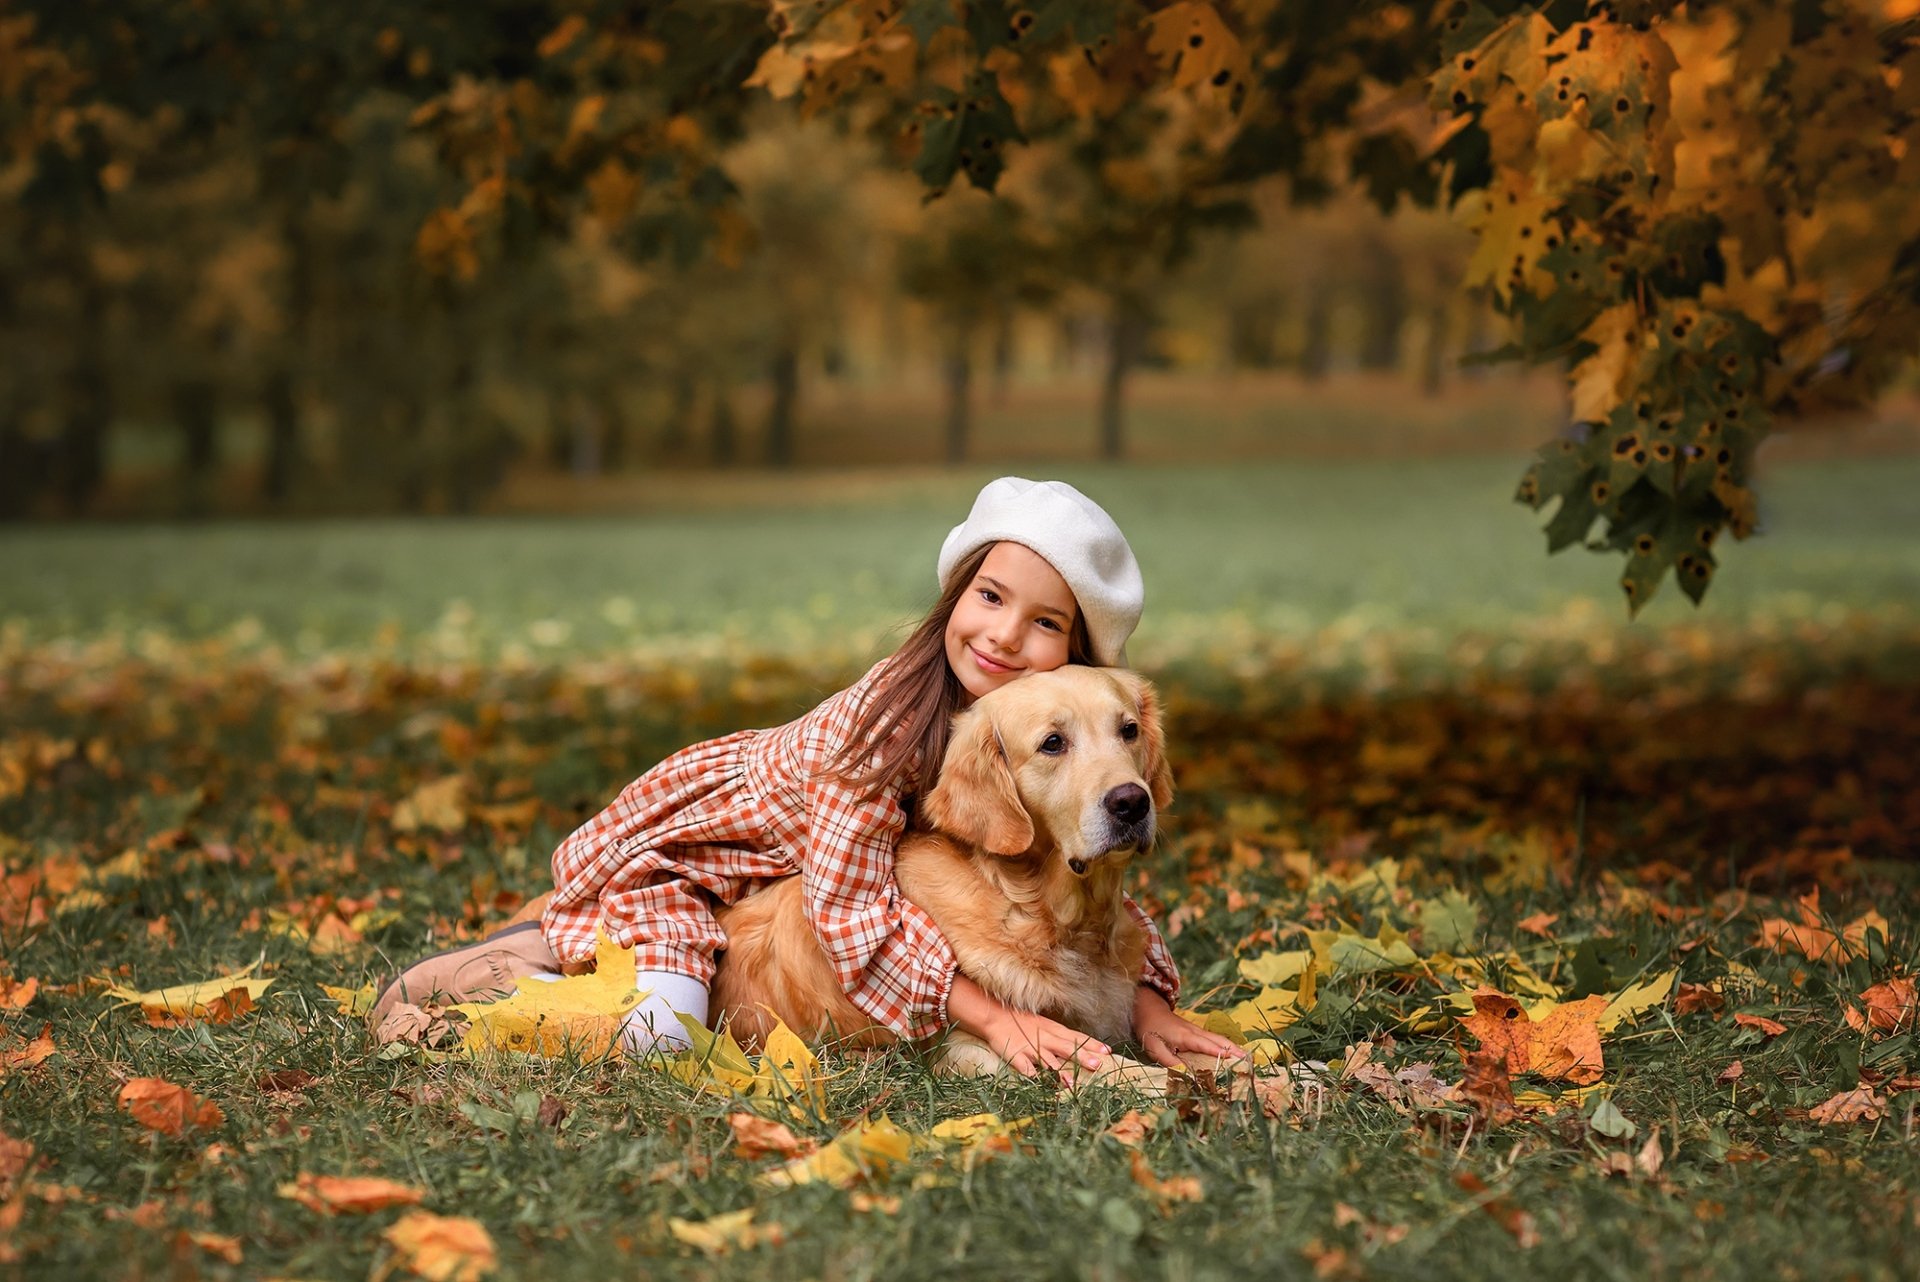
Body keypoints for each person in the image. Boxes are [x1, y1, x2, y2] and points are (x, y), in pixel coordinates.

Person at [374, 477, 1242, 1077]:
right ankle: (509, 975)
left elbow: (1097, 904)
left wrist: (1150, 1000)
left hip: (781, 875)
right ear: (953, 595)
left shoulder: (1013, 725)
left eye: (1044, 621)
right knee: (664, 1036)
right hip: (687, 855)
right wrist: (993, 1018)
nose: (1006, 636)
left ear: (1074, 650)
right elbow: (849, 911)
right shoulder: (880, 731)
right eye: (989, 596)